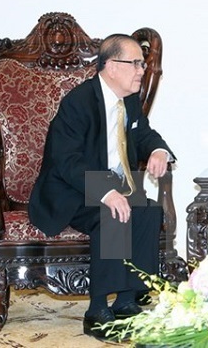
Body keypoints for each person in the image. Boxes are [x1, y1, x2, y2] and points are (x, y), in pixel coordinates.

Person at [29, 34, 175, 340]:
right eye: (134, 63)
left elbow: (144, 134)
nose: (141, 70)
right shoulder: (78, 103)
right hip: (71, 191)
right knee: (114, 213)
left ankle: (126, 301)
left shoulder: (130, 100)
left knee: (148, 212)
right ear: (110, 66)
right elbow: (66, 161)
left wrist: (159, 150)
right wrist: (105, 192)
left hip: (112, 185)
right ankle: (97, 310)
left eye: (142, 63)